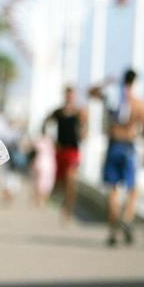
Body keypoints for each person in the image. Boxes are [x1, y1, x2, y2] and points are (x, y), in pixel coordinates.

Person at [89, 69, 144, 246]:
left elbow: (90, 92)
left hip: (113, 145)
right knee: (132, 190)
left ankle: (113, 230)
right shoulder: (138, 103)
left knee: (113, 191)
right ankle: (126, 218)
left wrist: (107, 81)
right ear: (134, 82)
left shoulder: (113, 100)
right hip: (129, 147)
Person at [42, 87, 87, 222]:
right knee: (61, 182)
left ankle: (68, 209)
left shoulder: (79, 112)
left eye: (72, 95)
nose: (70, 98)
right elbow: (45, 122)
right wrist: (48, 138)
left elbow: (85, 127)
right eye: (68, 95)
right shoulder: (59, 112)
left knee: (71, 180)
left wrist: (83, 133)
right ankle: (61, 203)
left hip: (73, 150)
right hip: (60, 150)